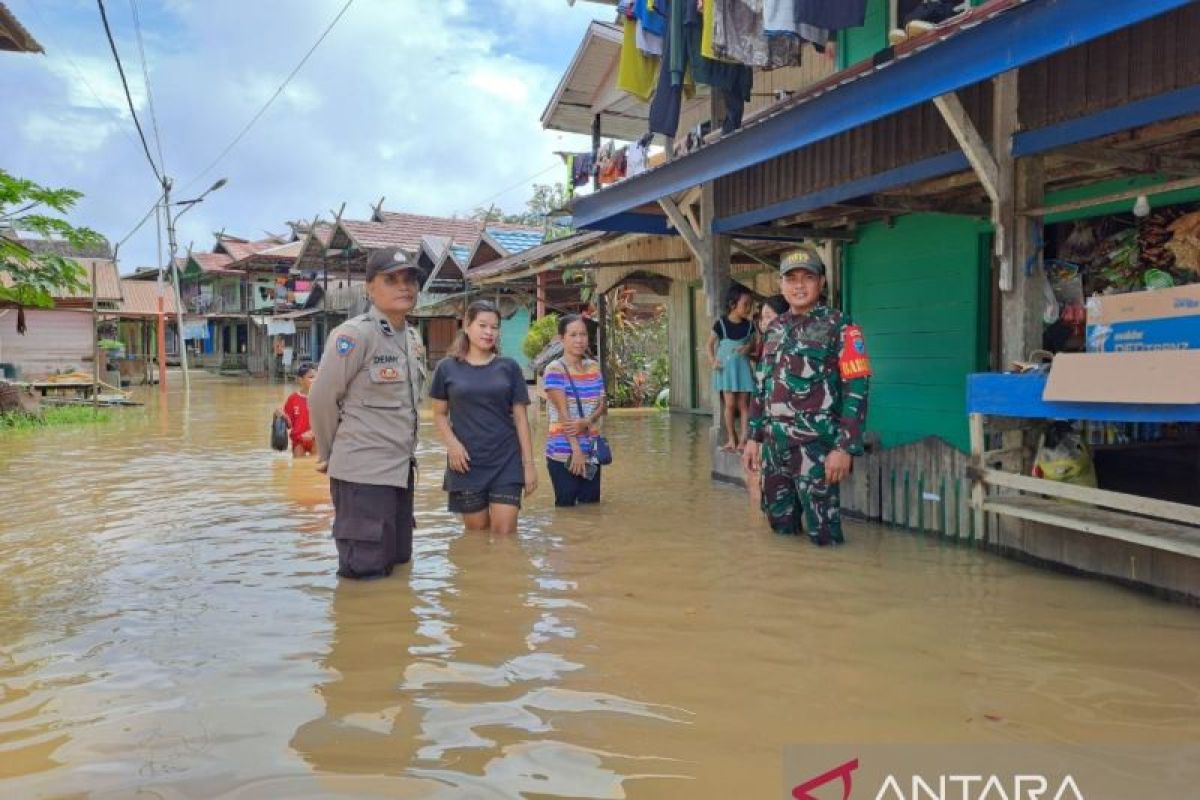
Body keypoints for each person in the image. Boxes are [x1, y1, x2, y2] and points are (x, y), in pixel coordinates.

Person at [308, 247, 427, 580]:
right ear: (370, 288)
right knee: (365, 576)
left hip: (400, 473)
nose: (404, 287)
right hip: (362, 476)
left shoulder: (413, 339)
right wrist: (331, 453)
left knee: (399, 565)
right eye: (391, 279)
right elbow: (320, 399)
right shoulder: (354, 335)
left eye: (409, 280)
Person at [742, 247, 871, 546]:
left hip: (815, 450)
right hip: (775, 450)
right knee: (780, 530)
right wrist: (753, 437)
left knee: (824, 537)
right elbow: (762, 386)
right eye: (791, 278)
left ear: (822, 283)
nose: (799, 285)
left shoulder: (842, 327)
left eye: (808, 277)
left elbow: (858, 388)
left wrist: (845, 447)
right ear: (781, 284)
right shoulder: (773, 329)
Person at [430, 300, 537, 535]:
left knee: (505, 534)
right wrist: (452, 445)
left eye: (495, 327)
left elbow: (521, 420)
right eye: (482, 325)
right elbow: (438, 414)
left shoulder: (509, 368)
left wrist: (529, 465)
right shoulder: (446, 368)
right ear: (466, 326)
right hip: (466, 462)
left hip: (506, 460)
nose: (489, 332)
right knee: (476, 534)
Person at [543, 314, 606, 507]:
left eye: (583, 334)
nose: (579, 340)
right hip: (564, 451)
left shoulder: (593, 367)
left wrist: (587, 421)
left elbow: (602, 404)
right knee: (567, 508)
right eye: (573, 335)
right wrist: (576, 450)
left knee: (591, 507)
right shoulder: (555, 369)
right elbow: (564, 414)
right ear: (562, 339)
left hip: (592, 449)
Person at [745, 295, 789, 509]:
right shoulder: (767, 348)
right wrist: (753, 438)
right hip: (769, 436)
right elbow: (759, 394)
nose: (764, 323)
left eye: (769, 317)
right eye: (762, 318)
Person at [707, 283, 756, 452]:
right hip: (726, 371)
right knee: (729, 405)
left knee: (744, 405)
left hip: (742, 370)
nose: (749, 308)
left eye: (750, 304)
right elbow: (709, 345)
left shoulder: (749, 326)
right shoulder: (720, 324)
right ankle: (731, 439)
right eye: (745, 304)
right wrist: (713, 361)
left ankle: (743, 440)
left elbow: (754, 345)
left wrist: (748, 348)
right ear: (732, 304)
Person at [278, 362, 317, 457]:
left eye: (316, 377)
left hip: (316, 439)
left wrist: (313, 432)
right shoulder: (293, 398)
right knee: (298, 465)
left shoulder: (321, 397)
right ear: (300, 380)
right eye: (311, 377)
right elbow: (289, 424)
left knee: (316, 466)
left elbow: (328, 421)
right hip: (298, 440)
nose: (315, 380)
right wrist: (280, 415)